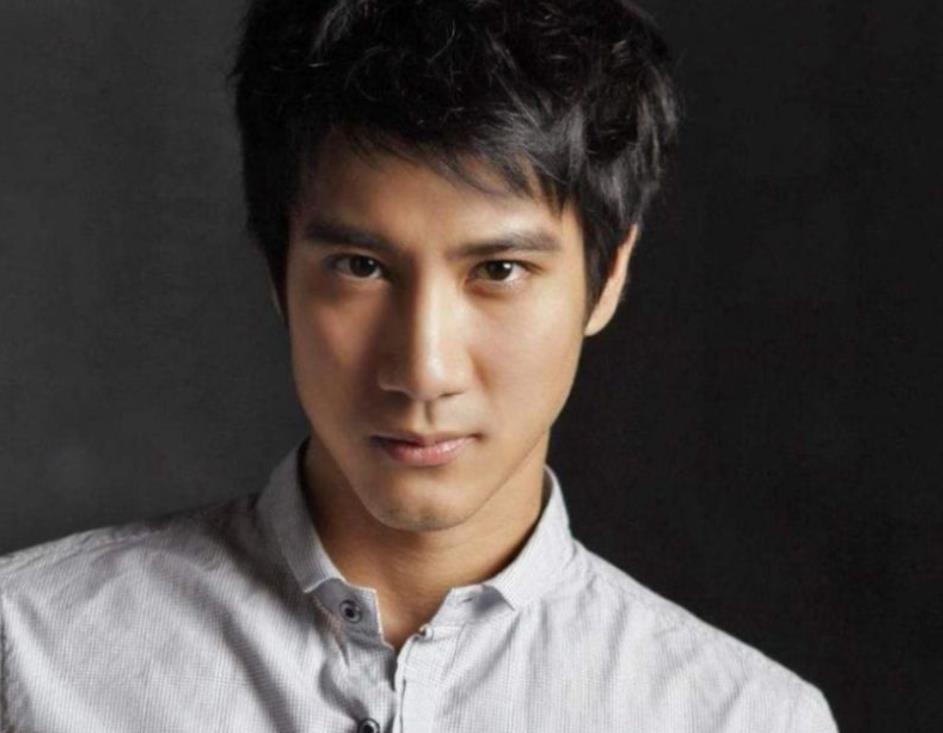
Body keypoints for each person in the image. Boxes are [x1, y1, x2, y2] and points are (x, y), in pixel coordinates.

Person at [0, 0, 839, 730]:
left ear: (608, 276)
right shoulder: (28, 649)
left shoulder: (746, 717)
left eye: (499, 270)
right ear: (277, 271)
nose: (423, 369)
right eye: (361, 267)